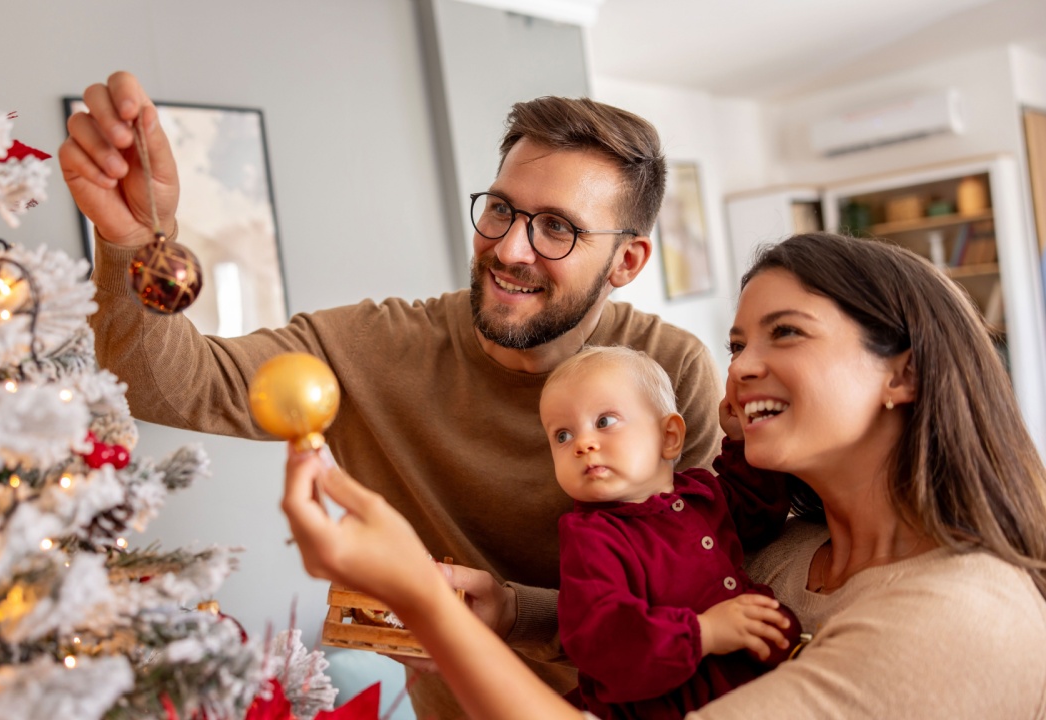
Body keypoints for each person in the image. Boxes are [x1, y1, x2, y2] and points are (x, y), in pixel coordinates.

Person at [60, 73, 725, 718]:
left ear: (627, 262)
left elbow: (707, 591)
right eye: (500, 210)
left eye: (557, 227)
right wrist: (135, 241)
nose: (510, 248)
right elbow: (164, 386)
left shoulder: (669, 371)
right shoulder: (371, 349)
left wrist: (509, 612)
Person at [282, 232, 1046, 719]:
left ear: (904, 375)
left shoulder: (960, 619)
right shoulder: (784, 548)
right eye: (739, 341)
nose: (742, 367)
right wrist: (511, 611)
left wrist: (426, 604)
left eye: (786, 334)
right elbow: (669, 591)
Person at [542, 346, 801, 719]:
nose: (583, 444)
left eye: (604, 422)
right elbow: (602, 635)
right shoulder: (591, 536)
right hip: (665, 702)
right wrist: (705, 632)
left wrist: (740, 440)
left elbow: (758, 510)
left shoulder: (701, 493)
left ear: (669, 437)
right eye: (562, 435)